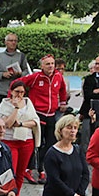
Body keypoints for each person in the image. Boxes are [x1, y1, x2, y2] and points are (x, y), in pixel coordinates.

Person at [21, 54, 67, 184]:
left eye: (52, 63)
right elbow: (17, 84)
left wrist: (62, 102)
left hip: (52, 114)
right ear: (42, 66)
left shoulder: (58, 76)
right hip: (38, 114)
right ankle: (28, 169)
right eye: (47, 64)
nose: (51, 66)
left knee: (50, 143)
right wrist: (18, 100)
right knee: (37, 143)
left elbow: (62, 89)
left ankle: (42, 170)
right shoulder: (36, 77)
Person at [0, 79, 40, 196]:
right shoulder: (5, 104)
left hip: (26, 140)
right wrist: (16, 108)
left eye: (22, 92)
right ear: (11, 92)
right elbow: (7, 124)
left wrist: (22, 124)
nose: (20, 95)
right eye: (17, 91)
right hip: (10, 141)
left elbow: (35, 121)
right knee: (11, 171)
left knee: (21, 172)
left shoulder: (28, 102)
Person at [0, 34, 29, 113]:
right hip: (0, 92)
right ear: (6, 42)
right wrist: (2, 75)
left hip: (16, 93)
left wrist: (20, 74)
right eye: (11, 41)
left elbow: (26, 71)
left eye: (15, 41)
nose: (13, 43)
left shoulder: (21, 56)